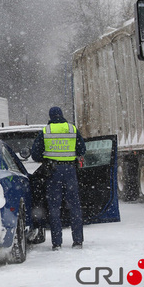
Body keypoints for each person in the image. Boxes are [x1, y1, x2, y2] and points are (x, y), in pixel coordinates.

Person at [31, 106, 86, 251]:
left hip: (52, 172)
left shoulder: (46, 131)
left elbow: (35, 154)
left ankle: (57, 243)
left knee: (54, 207)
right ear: (62, 115)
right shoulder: (72, 129)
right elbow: (82, 150)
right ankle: (78, 241)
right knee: (74, 206)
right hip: (70, 171)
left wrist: (46, 159)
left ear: (50, 116)